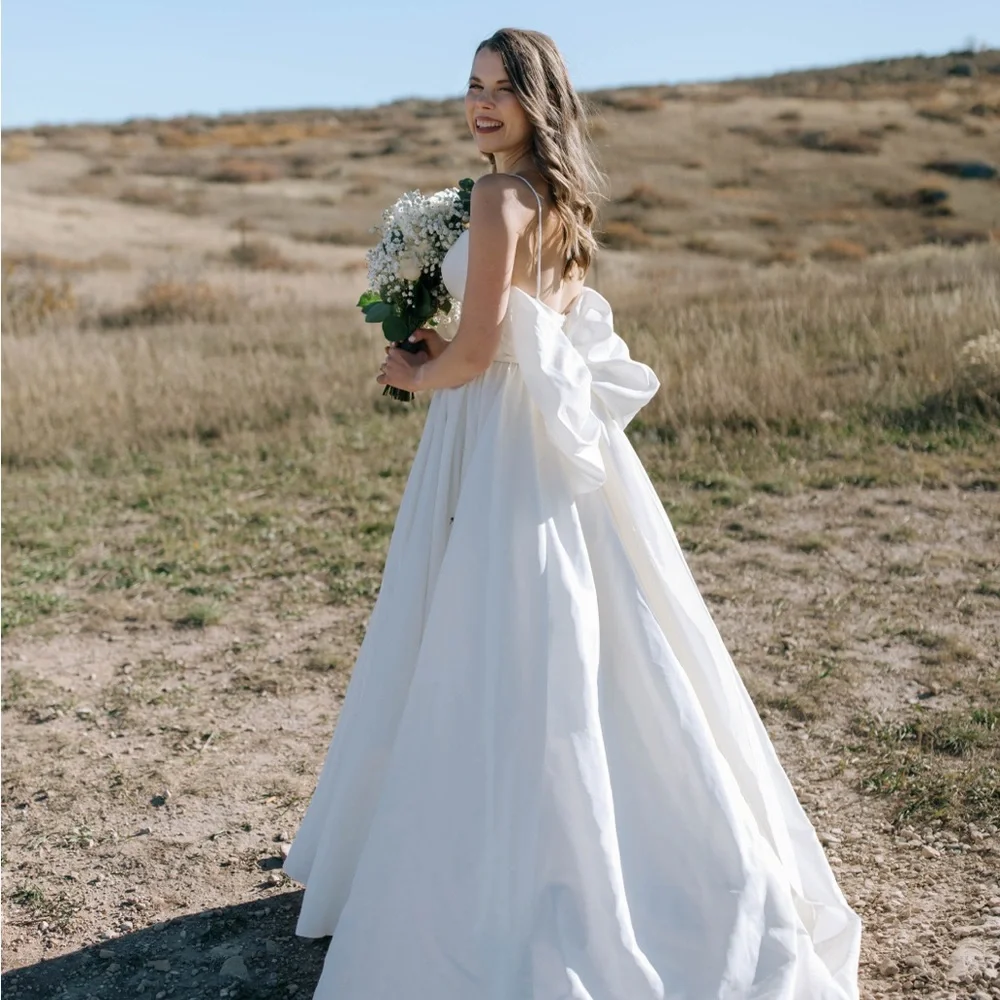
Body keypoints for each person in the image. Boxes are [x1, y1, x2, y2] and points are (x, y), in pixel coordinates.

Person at [282, 27, 863, 1000]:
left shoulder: (497, 196)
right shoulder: (552, 197)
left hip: (496, 431)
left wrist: (415, 369)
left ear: (536, 102)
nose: (479, 104)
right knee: (584, 631)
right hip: (536, 435)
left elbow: (476, 352)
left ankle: (497, 870)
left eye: (501, 91)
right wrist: (450, 347)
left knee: (492, 633)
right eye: (471, 86)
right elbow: (518, 324)